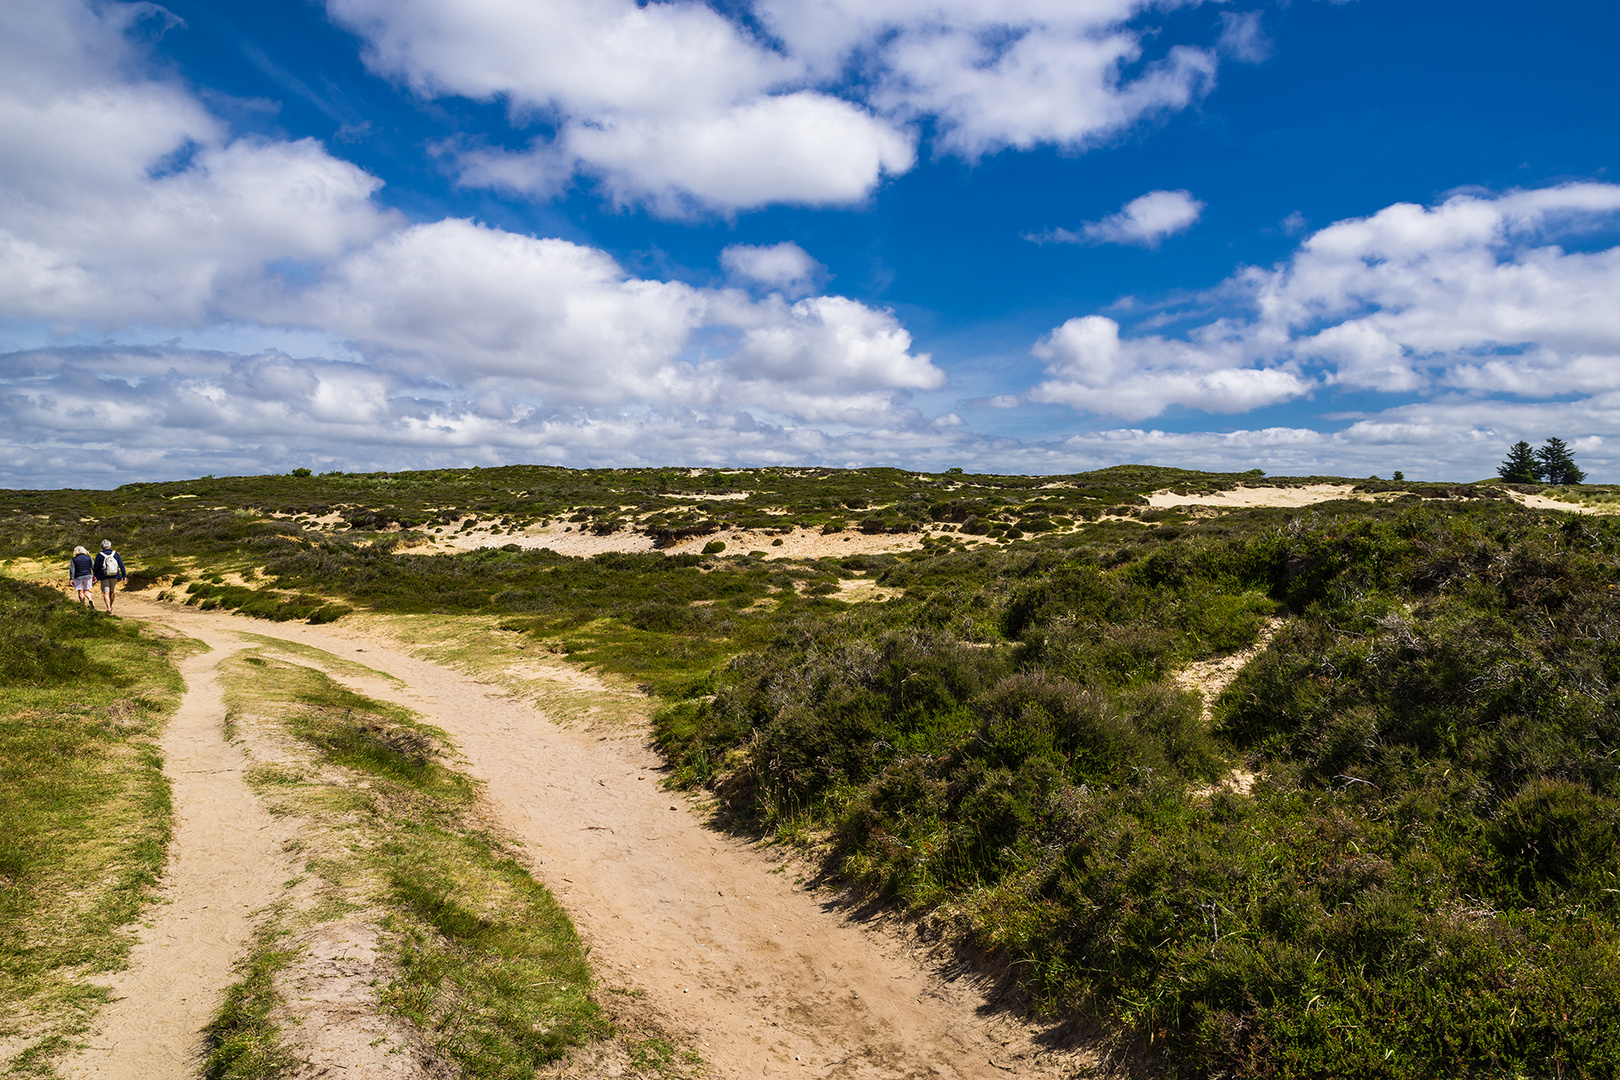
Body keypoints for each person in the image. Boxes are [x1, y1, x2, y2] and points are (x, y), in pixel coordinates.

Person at [94, 539, 126, 614]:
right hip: (114, 575)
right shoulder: (115, 554)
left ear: (101, 547)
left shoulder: (99, 555)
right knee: (112, 592)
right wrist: (123, 575)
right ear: (110, 546)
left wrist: (95, 575)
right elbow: (121, 564)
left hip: (103, 576)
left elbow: (96, 566)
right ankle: (111, 606)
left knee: (106, 593)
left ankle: (108, 608)